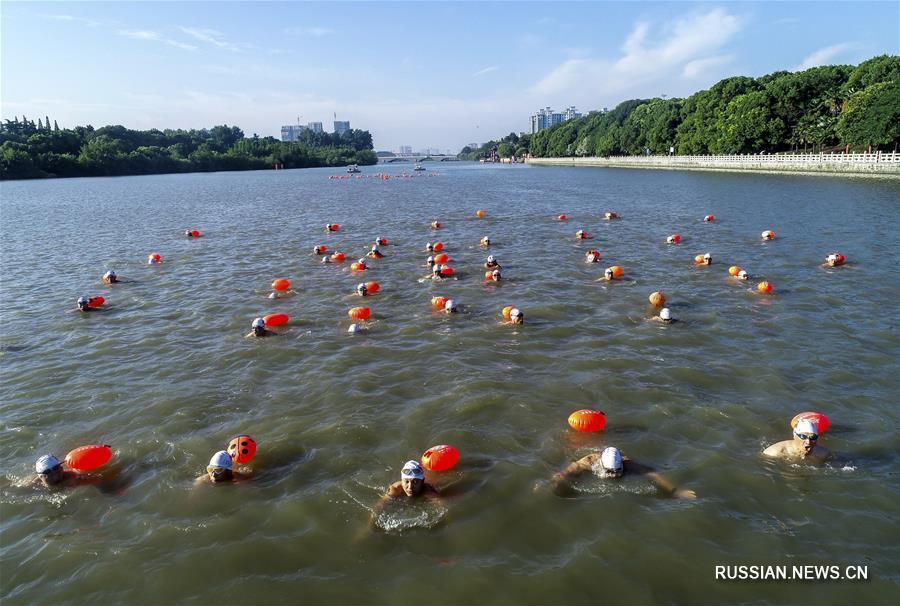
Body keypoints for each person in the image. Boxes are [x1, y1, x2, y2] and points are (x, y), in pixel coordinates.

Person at [548, 446, 696, 498]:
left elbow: (653, 474)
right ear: (601, 465)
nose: (613, 476)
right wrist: (550, 484)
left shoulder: (628, 464)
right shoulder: (586, 463)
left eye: (617, 471)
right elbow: (562, 474)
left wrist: (675, 492)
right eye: (609, 472)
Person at [371, 460, 439, 524]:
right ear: (402, 480)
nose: (410, 487)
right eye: (406, 481)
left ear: (422, 481)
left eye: (415, 482)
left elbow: (442, 506)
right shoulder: (395, 489)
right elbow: (379, 507)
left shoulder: (428, 490)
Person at [763, 419, 833, 463]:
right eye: (803, 436)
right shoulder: (774, 453)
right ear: (795, 436)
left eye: (813, 437)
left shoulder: (823, 453)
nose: (808, 441)